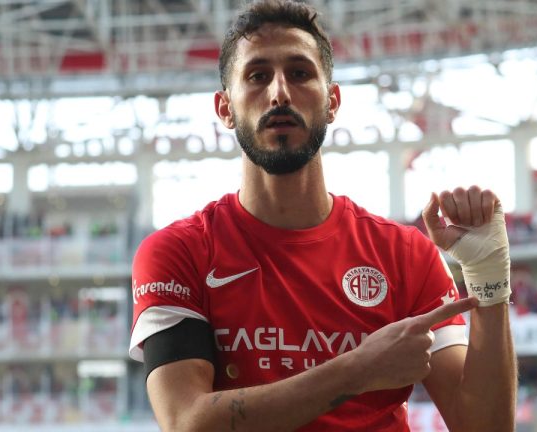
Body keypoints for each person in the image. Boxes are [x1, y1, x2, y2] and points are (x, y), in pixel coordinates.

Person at [128, 1, 517, 430]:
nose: (279, 93)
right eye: (257, 76)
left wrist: (488, 279)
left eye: (300, 73)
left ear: (332, 102)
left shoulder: (405, 254)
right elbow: (187, 422)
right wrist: (360, 369)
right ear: (225, 108)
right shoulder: (178, 252)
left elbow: (486, 427)